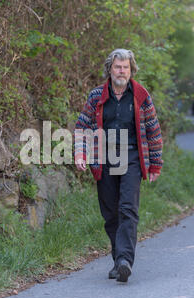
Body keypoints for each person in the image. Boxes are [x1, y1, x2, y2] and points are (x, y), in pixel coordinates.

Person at [74, 49, 163, 283]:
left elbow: (153, 132)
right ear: (110, 69)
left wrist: (155, 165)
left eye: (125, 67)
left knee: (127, 208)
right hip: (103, 158)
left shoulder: (141, 96)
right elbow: (82, 126)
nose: (121, 71)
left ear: (131, 70)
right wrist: (81, 153)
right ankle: (117, 261)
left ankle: (125, 260)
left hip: (132, 156)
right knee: (110, 212)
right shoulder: (96, 97)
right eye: (117, 67)